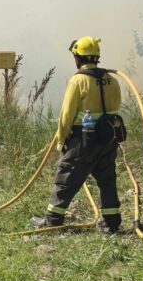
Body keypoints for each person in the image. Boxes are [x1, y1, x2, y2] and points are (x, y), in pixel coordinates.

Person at [31, 37, 125, 234]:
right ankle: (111, 222)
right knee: (107, 178)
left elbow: (67, 114)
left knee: (66, 175)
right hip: (109, 137)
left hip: (84, 138)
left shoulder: (78, 80)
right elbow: (116, 106)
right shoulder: (112, 79)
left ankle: (53, 220)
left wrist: (62, 139)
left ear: (77, 57)